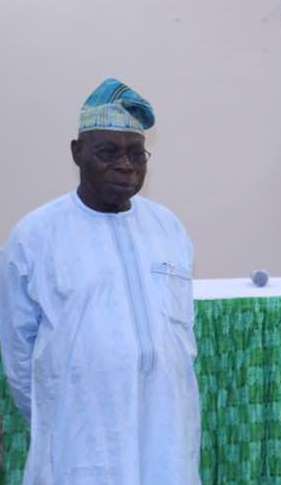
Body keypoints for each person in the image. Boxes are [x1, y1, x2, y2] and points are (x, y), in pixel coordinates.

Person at [0, 79, 201, 484]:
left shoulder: (168, 228)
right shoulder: (36, 236)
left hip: (165, 429)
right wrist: (60, 411)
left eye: (136, 154)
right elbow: (18, 352)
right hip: (81, 437)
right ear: (77, 153)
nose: (125, 165)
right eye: (107, 152)